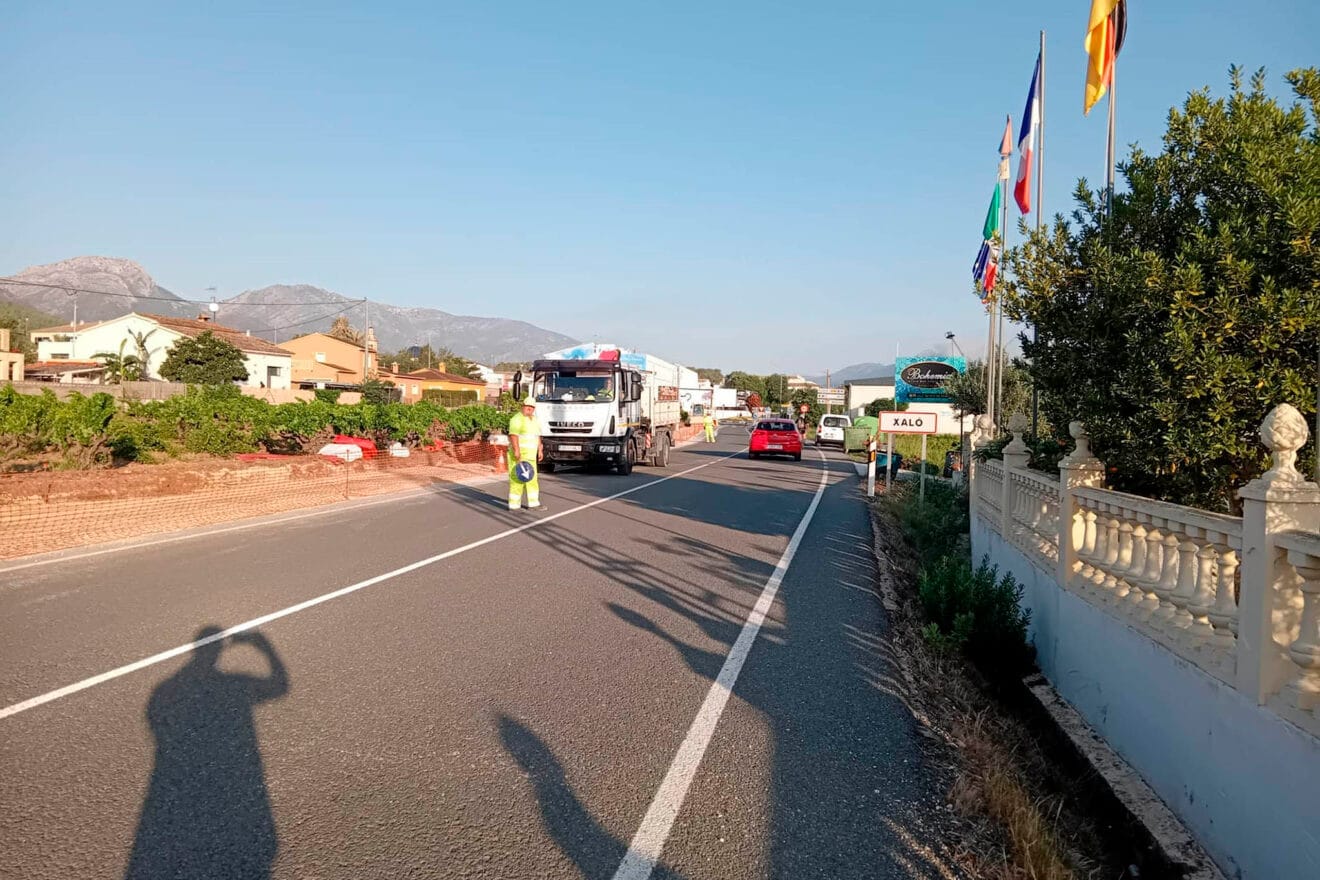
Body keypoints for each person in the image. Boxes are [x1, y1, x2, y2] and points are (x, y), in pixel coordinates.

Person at [507, 395, 543, 510]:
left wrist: (540, 449)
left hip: (531, 456)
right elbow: (513, 435)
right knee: (518, 479)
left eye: (532, 408)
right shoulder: (517, 419)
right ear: (523, 407)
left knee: (532, 479)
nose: (529, 409)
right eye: (527, 407)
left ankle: (533, 503)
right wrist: (516, 451)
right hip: (519, 456)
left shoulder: (534, 420)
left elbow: (537, 435)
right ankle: (514, 505)